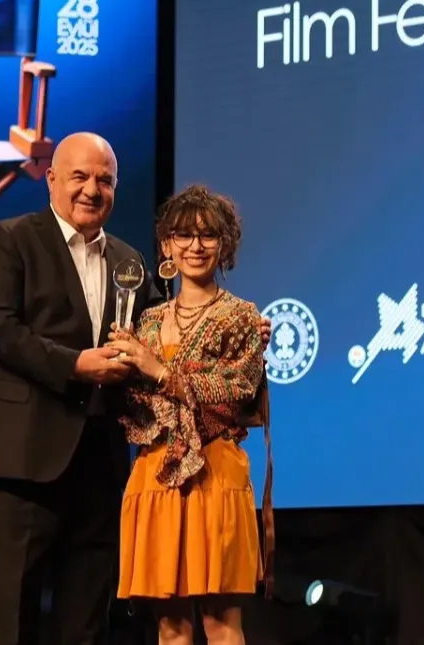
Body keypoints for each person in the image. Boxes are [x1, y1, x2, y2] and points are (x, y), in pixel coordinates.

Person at [0, 133, 271, 645]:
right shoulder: (10, 238)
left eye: (104, 180)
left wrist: (248, 334)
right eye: (79, 177)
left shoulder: (128, 261)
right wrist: (75, 364)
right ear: (51, 179)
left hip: (99, 468)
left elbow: (164, 344)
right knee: (8, 623)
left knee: (85, 624)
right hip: (19, 462)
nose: (91, 189)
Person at [106, 184, 274, 645]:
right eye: (183, 235)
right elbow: (134, 405)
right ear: (166, 245)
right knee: (171, 628)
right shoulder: (146, 322)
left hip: (214, 475)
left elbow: (234, 392)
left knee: (221, 624)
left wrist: (159, 371)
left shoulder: (242, 317)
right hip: (155, 476)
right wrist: (125, 366)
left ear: (224, 245)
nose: (195, 246)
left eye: (208, 235)